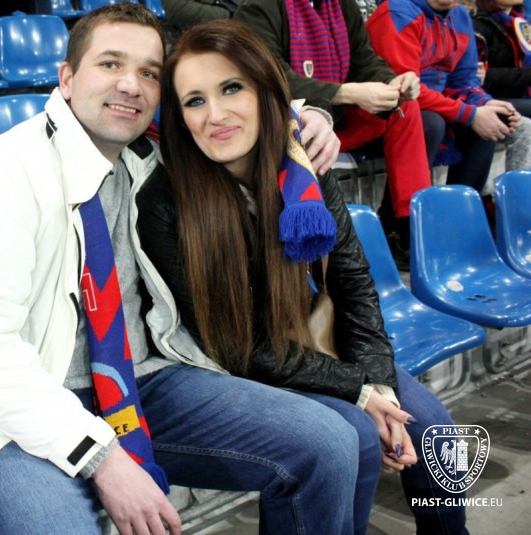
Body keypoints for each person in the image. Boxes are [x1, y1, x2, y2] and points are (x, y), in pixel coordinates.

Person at [0, 4, 363, 535]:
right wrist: (101, 456)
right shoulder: (4, 173)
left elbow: (238, 112)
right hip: (11, 405)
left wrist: (307, 117)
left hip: (139, 376)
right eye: (110, 64)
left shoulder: (151, 156)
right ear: (67, 78)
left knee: (329, 444)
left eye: (149, 72)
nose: (131, 84)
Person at [136, 19, 468, 534]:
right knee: (356, 435)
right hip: (234, 363)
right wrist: (359, 391)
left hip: (302, 341)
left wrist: (379, 383)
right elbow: (235, 345)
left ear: (266, 92)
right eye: (194, 101)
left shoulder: (303, 165)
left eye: (231, 88)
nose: (215, 114)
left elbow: (353, 284)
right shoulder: (164, 200)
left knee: (432, 427)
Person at [233, 0, 431, 268]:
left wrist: (392, 83)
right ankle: (315, 254)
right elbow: (270, 80)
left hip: (338, 120)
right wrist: (344, 93)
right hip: (292, 123)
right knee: (303, 133)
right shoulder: (259, 8)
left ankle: (407, 227)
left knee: (409, 109)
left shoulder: (342, 5)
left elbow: (366, 61)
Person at [366, 0, 525, 203]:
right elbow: (403, 89)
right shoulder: (397, 12)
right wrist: (470, 114)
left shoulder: (459, 15)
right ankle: (402, 217)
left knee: (493, 120)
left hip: (435, 104)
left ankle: (462, 209)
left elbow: (464, 80)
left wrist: (483, 103)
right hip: (384, 111)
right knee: (431, 123)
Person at [473, 0, 531, 117]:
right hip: (488, 99)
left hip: (518, 95)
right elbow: (478, 77)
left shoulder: (520, 20)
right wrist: (527, 75)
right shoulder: (476, 23)